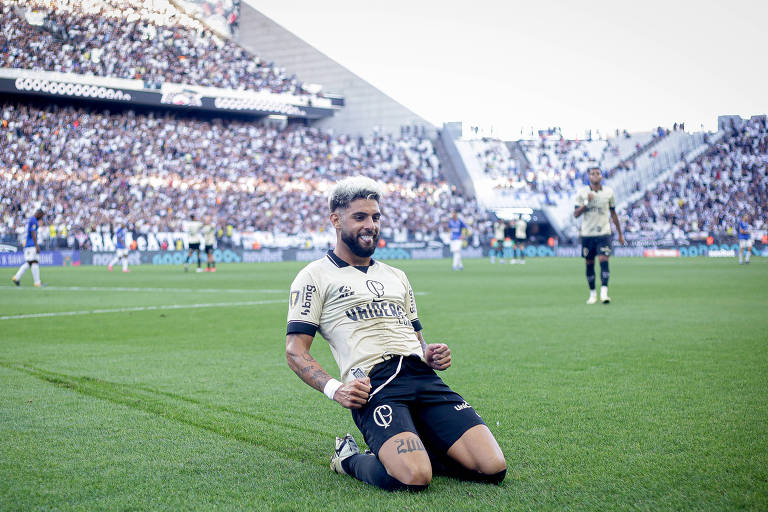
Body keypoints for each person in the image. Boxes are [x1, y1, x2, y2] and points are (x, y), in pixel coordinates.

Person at [285, 176, 506, 492]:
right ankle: (347, 459)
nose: (370, 225)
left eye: (375, 217)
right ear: (335, 220)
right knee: (413, 478)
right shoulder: (314, 276)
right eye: (360, 217)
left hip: (423, 378)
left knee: (492, 468)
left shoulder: (396, 276)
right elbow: (295, 350)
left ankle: (416, 445)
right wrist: (336, 389)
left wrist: (429, 353)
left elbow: (417, 338)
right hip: (377, 384)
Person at [573, 167, 625, 304]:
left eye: (598, 173)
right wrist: (586, 203)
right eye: (592, 173)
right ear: (588, 177)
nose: (595, 176)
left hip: (604, 233)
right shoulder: (582, 193)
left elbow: (613, 214)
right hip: (587, 234)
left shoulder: (609, 192)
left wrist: (620, 233)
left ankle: (604, 293)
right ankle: (592, 294)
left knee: (604, 260)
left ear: (601, 176)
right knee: (589, 263)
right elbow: (576, 214)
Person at [11, 208, 45, 287]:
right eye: (41, 216)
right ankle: (37, 282)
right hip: (31, 245)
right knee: (34, 262)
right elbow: (33, 232)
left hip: (28, 245)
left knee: (29, 263)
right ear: (39, 213)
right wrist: (36, 246)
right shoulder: (33, 220)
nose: (41, 218)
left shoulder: (31, 220)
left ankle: (16, 277)